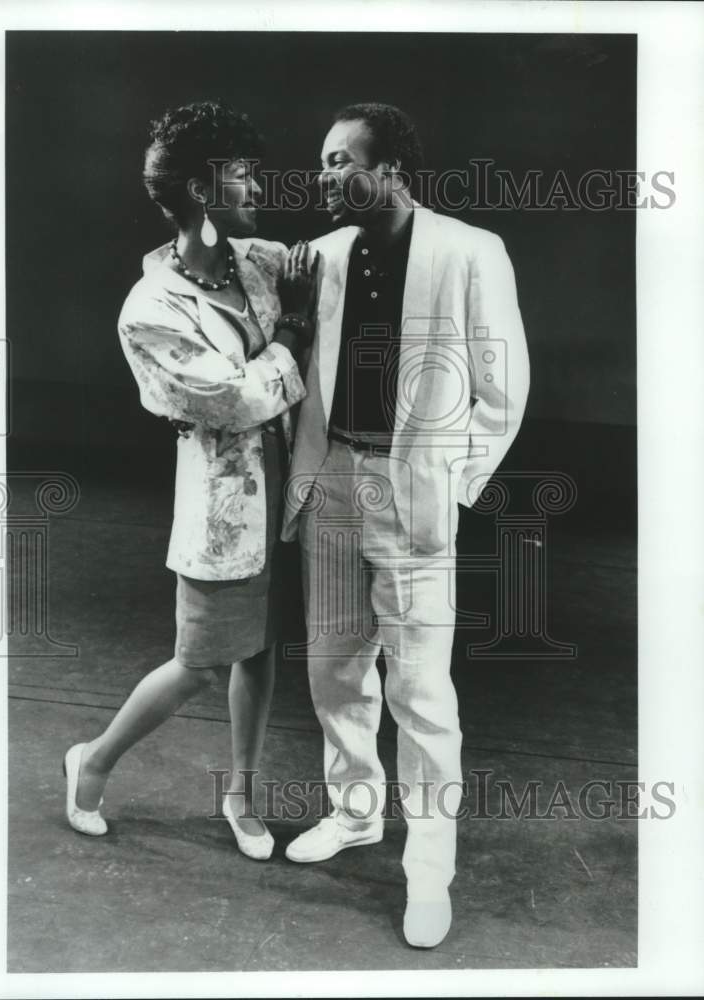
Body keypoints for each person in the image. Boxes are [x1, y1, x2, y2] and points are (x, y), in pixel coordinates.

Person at [281, 103, 530, 944]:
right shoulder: (319, 255)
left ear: (390, 169)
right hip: (333, 482)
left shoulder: (468, 251)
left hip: (412, 484)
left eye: (339, 158)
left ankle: (428, 872)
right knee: (333, 668)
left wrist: (452, 484)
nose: (322, 174)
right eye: (319, 160)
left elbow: (503, 385)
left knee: (421, 691)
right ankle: (354, 813)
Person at [63, 101, 315, 861]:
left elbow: (332, 259)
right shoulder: (150, 310)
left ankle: (239, 792)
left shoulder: (260, 260)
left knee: (262, 650)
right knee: (200, 663)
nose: (255, 184)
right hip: (225, 501)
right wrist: (295, 334)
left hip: (291, 488)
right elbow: (235, 403)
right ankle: (93, 760)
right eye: (240, 174)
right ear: (203, 191)